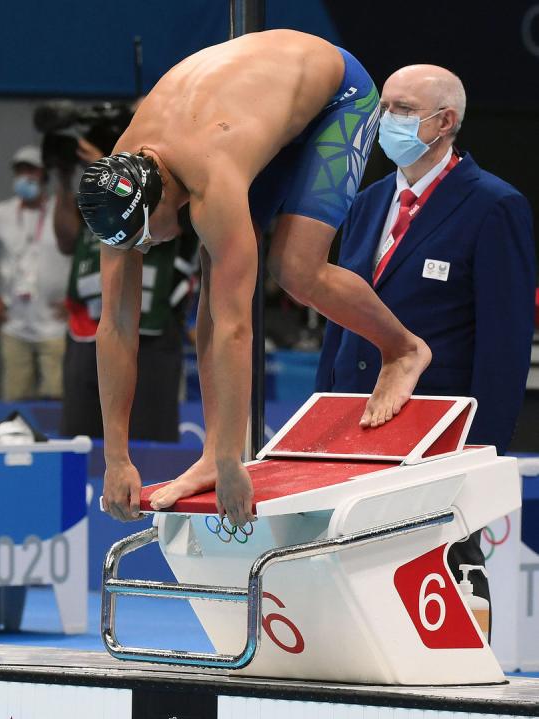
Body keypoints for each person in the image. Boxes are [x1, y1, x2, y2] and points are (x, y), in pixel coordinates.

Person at [76, 30, 432, 526]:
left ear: (159, 201)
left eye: (143, 237)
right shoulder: (119, 182)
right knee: (211, 286)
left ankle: (402, 348)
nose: (142, 248)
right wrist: (117, 458)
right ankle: (210, 454)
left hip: (337, 94)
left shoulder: (211, 182)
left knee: (294, 268)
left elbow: (236, 328)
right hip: (248, 114)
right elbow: (114, 327)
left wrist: (233, 461)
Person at [315, 64, 537, 610]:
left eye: (403, 110)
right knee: (354, 578)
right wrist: (319, 415)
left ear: (445, 122)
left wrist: (480, 449)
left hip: (436, 429)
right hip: (351, 426)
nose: (386, 119)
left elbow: (505, 342)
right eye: (384, 107)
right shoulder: (366, 204)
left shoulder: (493, 205)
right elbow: (337, 315)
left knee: (438, 573)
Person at [55, 138, 196, 440]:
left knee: (151, 440)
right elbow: (66, 239)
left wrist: (119, 178)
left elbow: (179, 221)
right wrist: (92, 180)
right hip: (87, 327)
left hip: (155, 329)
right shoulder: (99, 193)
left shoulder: (180, 165)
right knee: (82, 439)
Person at [0, 145, 71, 400]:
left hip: (55, 324)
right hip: (14, 323)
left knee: (58, 400)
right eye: (20, 171)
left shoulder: (61, 212)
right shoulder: (0, 213)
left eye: (32, 170)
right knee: (14, 400)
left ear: (44, 176)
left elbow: (84, 253)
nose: (25, 176)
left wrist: (76, 301)